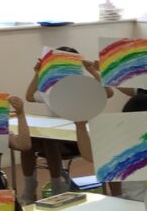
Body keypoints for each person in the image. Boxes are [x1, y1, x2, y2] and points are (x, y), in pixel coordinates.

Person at [19, 46, 104, 203]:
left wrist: (93, 71)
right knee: (28, 143)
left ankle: (57, 186)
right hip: (55, 137)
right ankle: (30, 187)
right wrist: (38, 73)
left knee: (49, 141)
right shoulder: (51, 90)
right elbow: (29, 96)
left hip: (78, 139)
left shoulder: (83, 87)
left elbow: (108, 93)